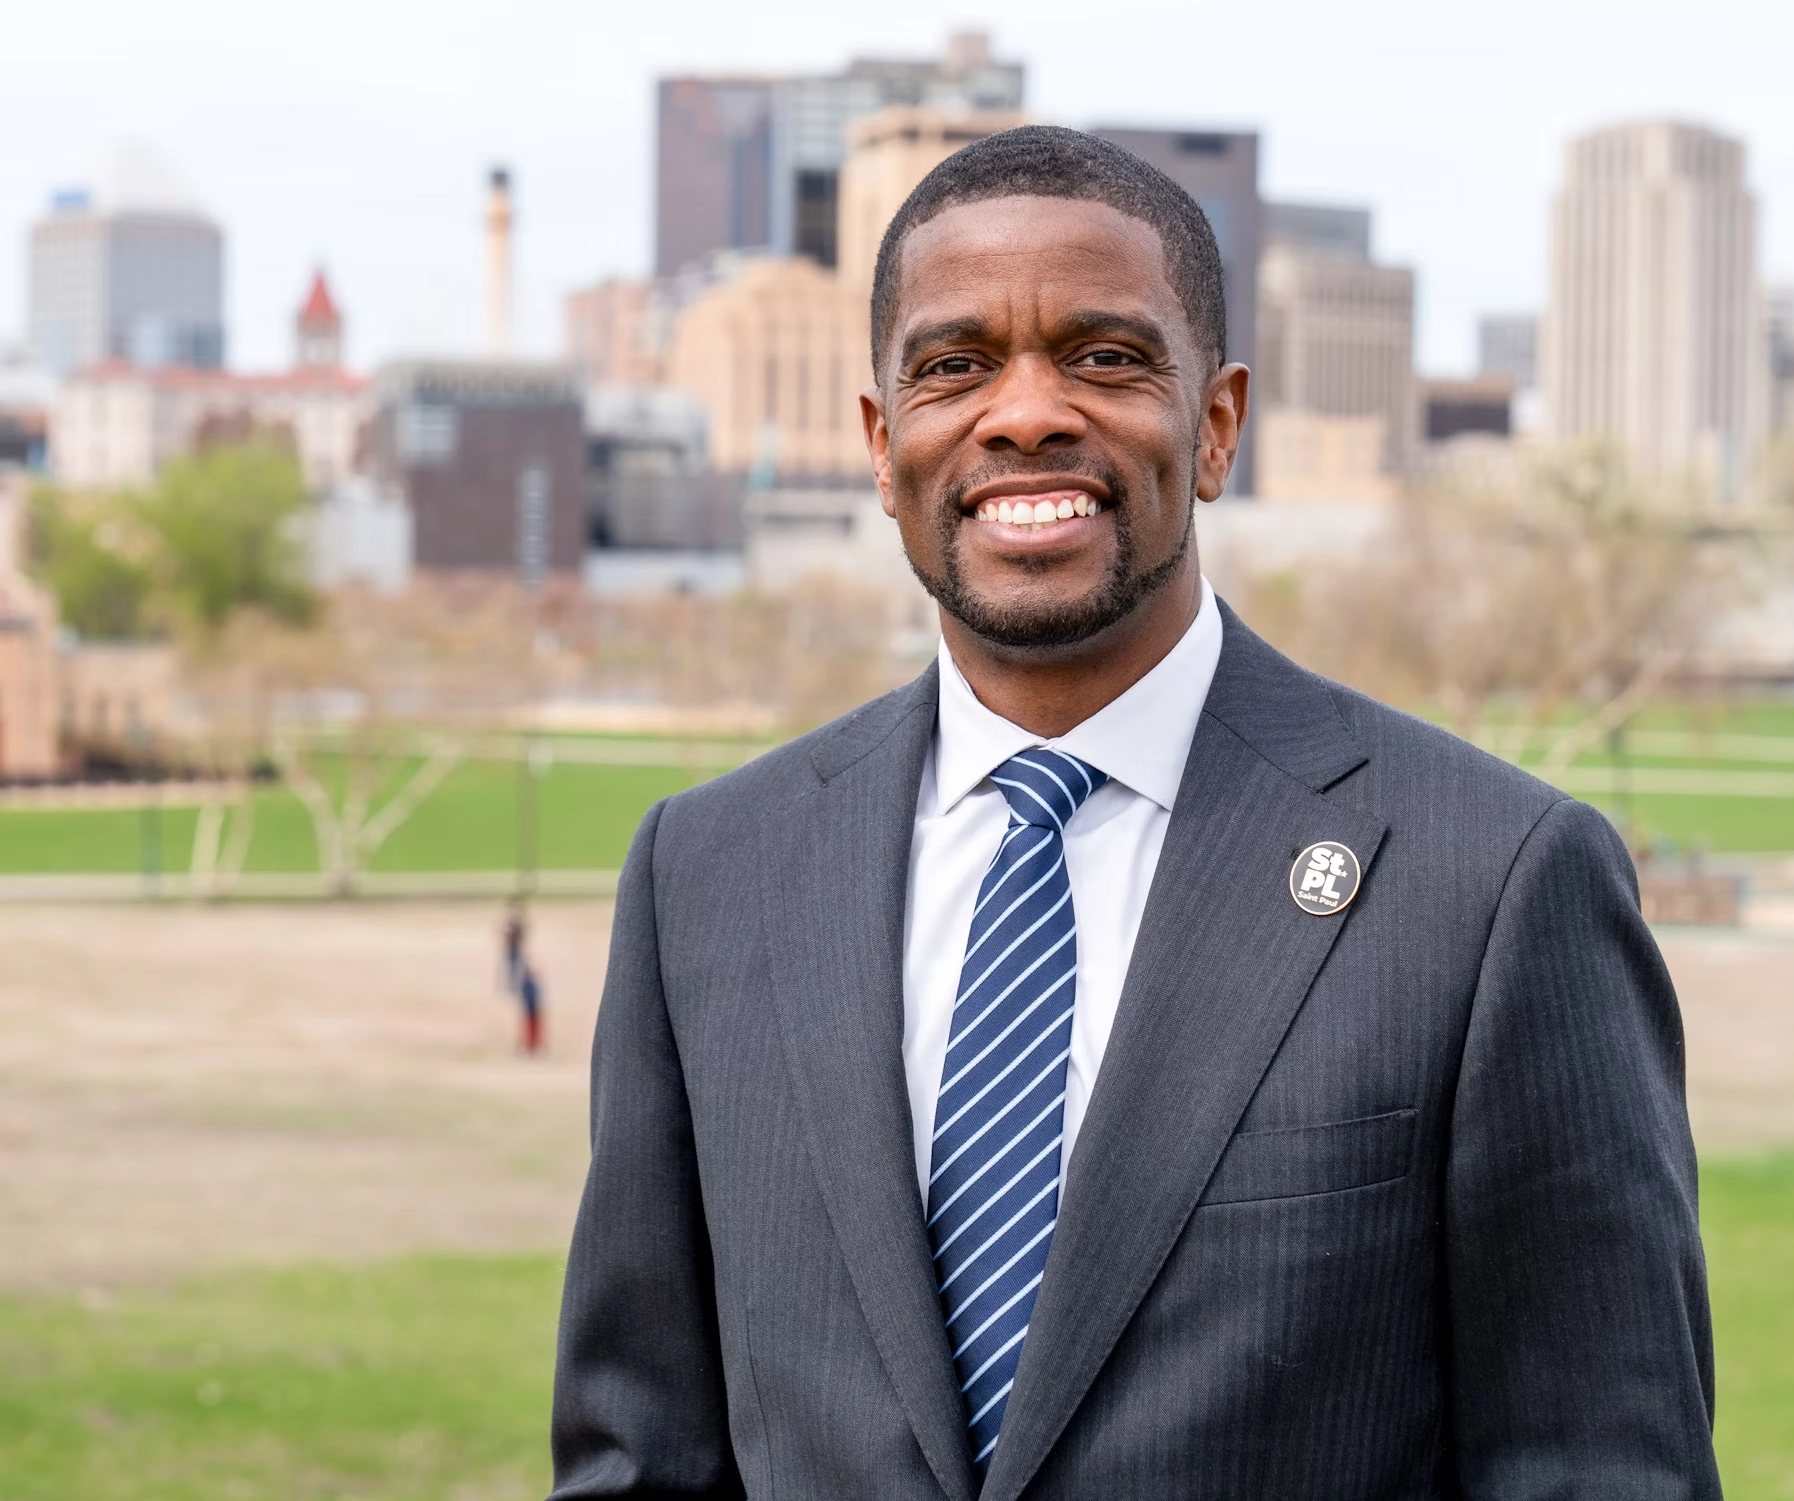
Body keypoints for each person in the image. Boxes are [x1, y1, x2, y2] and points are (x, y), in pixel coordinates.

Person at [549, 127, 1719, 1499]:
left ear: (1216, 424)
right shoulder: (711, 876)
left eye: (1105, 357)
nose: (1025, 411)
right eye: (952, 364)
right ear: (882, 444)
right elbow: (642, 1460)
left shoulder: (1496, 884)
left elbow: (1599, 1474)